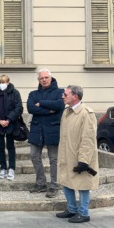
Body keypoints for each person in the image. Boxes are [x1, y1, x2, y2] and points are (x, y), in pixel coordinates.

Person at [55, 85, 99, 223]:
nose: (63, 96)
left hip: (80, 156)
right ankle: (71, 209)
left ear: (75, 96)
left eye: (66, 94)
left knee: (83, 184)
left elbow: (88, 138)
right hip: (66, 154)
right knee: (66, 180)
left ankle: (83, 213)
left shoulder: (86, 113)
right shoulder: (66, 112)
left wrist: (84, 161)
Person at [27, 69, 65, 198]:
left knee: (54, 159)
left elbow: (59, 105)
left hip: (53, 130)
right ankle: (41, 183)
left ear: (51, 78)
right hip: (37, 130)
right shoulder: (33, 94)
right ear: (38, 80)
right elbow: (30, 108)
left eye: (46, 77)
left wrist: (42, 103)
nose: (44, 80)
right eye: (41, 78)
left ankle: (54, 185)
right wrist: (49, 111)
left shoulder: (60, 92)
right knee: (34, 156)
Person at [0, 75, 23, 180]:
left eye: (4, 82)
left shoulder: (15, 93)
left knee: (11, 147)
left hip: (11, 124)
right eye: (0, 82)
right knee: (0, 147)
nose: (2, 84)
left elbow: (19, 108)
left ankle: (11, 168)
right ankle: (3, 167)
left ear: (8, 82)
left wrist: (8, 120)